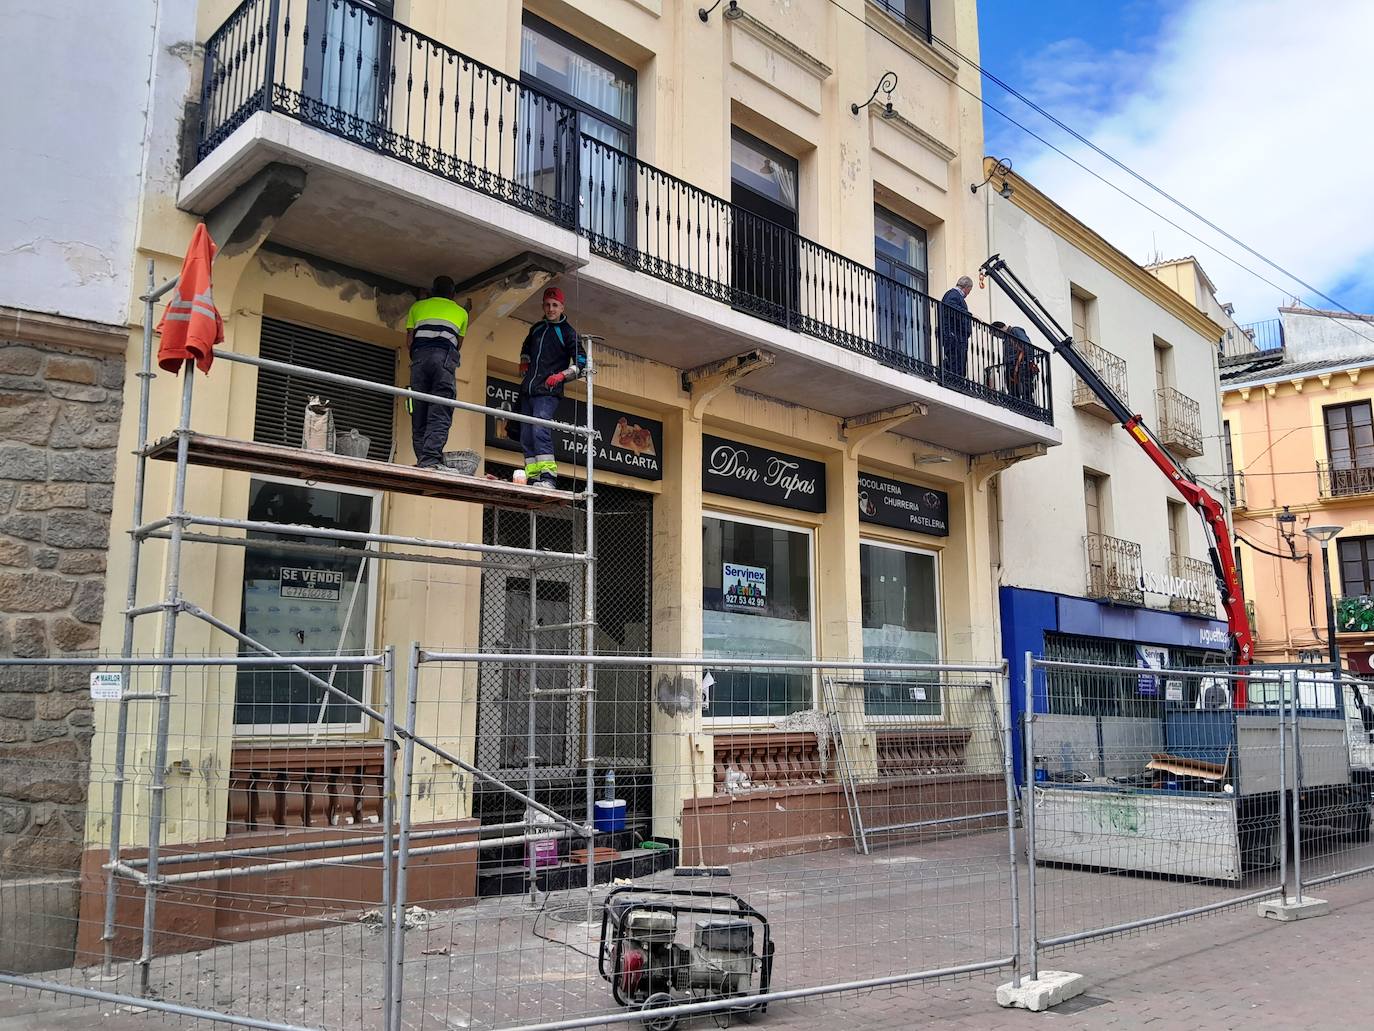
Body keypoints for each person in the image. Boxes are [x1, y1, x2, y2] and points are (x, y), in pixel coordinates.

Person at [518, 286, 585, 488]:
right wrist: (524, 360)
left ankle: (548, 478)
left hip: (547, 392)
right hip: (528, 390)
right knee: (526, 434)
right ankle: (533, 477)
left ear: (562, 307)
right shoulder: (536, 329)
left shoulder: (567, 332)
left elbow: (582, 363)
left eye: (555, 305)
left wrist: (562, 376)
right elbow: (526, 347)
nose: (551, 309)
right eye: (547, 305)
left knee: (540, 429)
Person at [405, 275, 469, 469]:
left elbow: (409, 340)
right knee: (440, 409)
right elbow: (458, 344)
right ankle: (431, 459)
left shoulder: (416, 308)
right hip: (444, 360)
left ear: (433, 291)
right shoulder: (461, 313)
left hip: (419, 358)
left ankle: (423, 459)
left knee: (419, 410)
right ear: (453, 294)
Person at [939, 275, 974, 382]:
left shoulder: (954, 295)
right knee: (956, 360)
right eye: (970, 290)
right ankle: (955, 382)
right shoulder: (953, 294)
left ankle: (957, 381)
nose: (969, 293)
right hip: (954, 335)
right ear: (967, 287)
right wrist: (969, 315)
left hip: (956, 335)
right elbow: (950, 306)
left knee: (958, 361)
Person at [1004, 325, 1040, 404]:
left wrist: (1028, 360)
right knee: (1013, 389)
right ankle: (1016, 405)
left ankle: (1029, 406)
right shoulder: (1007, 337)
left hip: (1021, 364)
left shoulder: (1015, 331)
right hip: (1013, 365)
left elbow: (1027, 345)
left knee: (1025, 388)